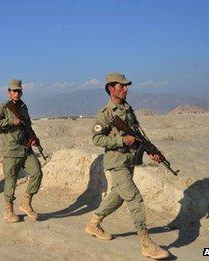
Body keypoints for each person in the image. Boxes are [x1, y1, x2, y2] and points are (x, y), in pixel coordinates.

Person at [84, 72, 169, 259]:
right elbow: (97, 138)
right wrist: (121, 140)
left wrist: (151, 150)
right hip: (116, 162)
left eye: (126, 85)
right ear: (110, 89)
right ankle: (146, 243)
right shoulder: (106, 113)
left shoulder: (127, 109)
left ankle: (93, 223)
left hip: (129, 160)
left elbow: (138, 134)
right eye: (122, 86)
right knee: (134, 197)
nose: (126, 89)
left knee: (118, 195)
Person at [0, 79, 43, 223]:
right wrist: (10, 121)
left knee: (37, 173)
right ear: (9, 92)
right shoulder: (4, 107)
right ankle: (9, 210)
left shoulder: (23, 107)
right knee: (11, 181)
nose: (16, 93)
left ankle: (26, 202)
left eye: (19, 90)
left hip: (25, 148)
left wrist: (34, 138)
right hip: (11, 150)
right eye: (14, 91)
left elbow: (28, 126)